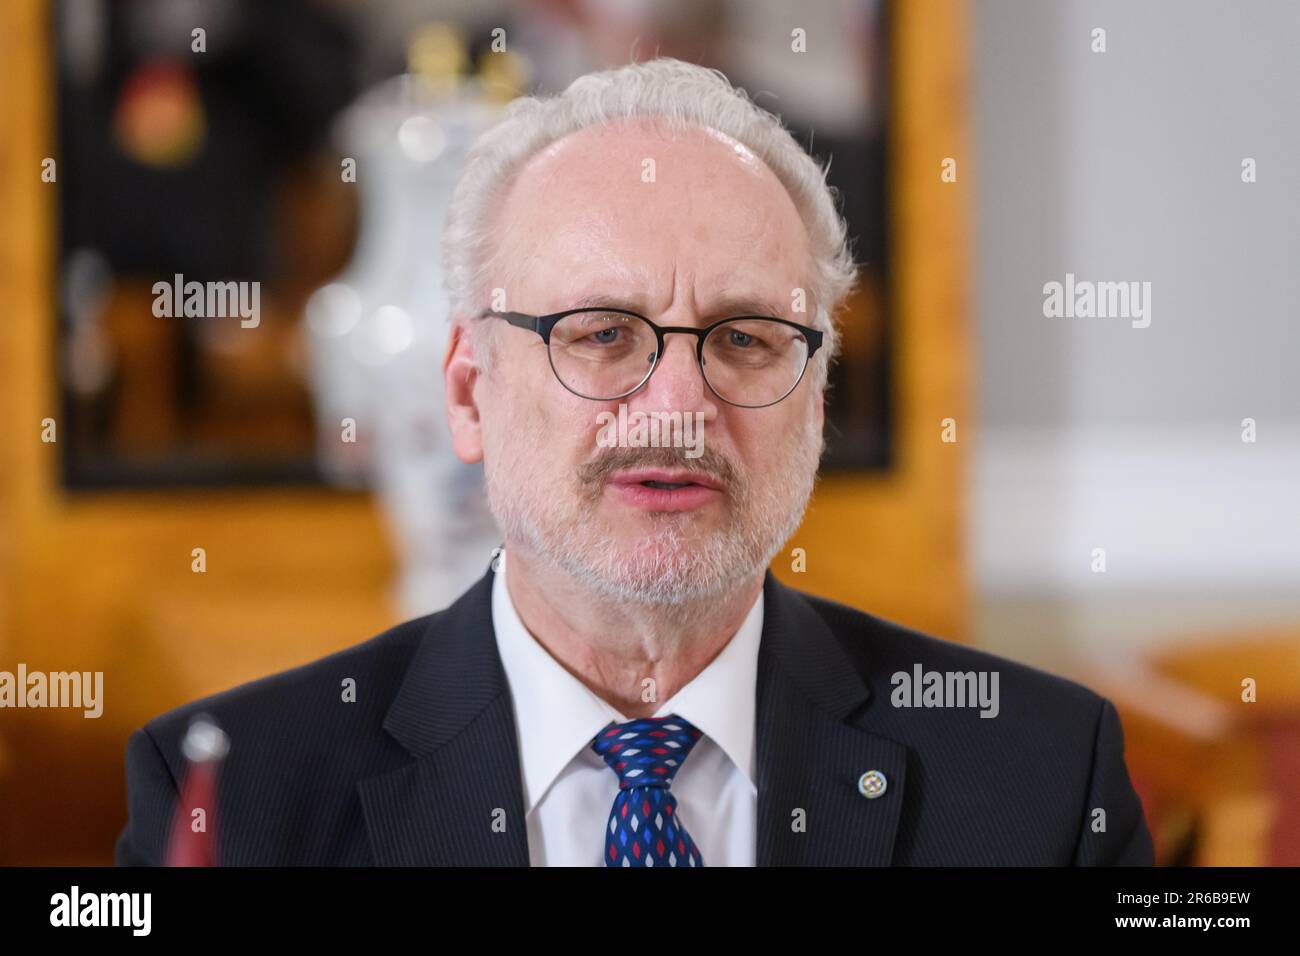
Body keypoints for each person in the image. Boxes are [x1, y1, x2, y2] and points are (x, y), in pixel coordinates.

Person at [116, 58, 1153, 867]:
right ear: (469, 390)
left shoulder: (1040, 778)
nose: (675, 407)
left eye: (746, 337)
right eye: (603, 333)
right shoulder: (237, 797)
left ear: (817, 397)